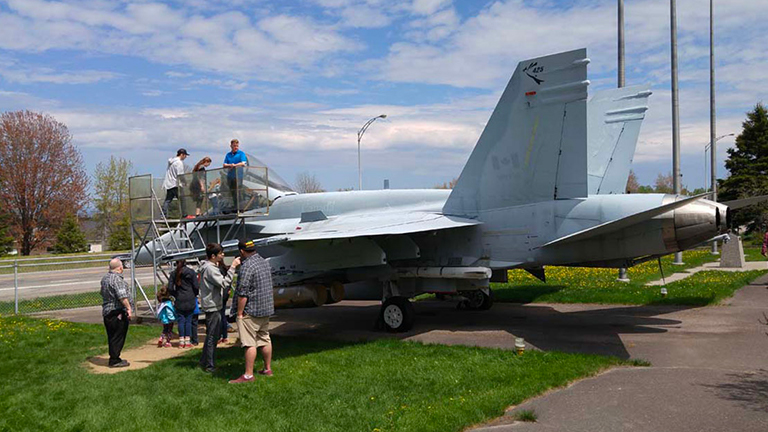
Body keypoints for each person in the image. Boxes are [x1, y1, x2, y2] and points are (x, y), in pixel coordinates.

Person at [229, 240, 275, 384]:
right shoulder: (264, 262)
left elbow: (243, 293)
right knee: (264, 339)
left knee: (250, 343)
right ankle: (267, 369)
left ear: (242, 251)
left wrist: (239, 313)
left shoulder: (246, 266)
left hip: (252, 310)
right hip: (266, 308)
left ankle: (248, 375)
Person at [198, 243, 240, 372]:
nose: (223, 255)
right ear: (213, 256)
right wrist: (233, 267)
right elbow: (224, 283)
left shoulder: (208, 266)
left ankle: (204, 361)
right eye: (221, 253)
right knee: (212, 336)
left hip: (212, 304)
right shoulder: (211, 269)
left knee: (212, 335)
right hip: (213, 306)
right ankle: (209, 366)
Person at [100, 258, 133, 368]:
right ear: (120, 268)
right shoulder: (117, 279)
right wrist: (128, 308)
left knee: (112, 335)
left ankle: (114, 357)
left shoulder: (105, 278)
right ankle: (114, 360)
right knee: (118, 335)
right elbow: (122, 296)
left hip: (107, 311)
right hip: (116, 311)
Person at [168, 259, 199, 348]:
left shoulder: (174, 273)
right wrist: (194, 294)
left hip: (179, 298)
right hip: (190, 297)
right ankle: (188, 341)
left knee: (181, 320)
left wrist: (175, 294)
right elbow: (196, 286)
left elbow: (170, 288)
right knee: (189, 320)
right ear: (185, 262)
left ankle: (181, 341)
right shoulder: (191, 272)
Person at [162, 148, 189, 217]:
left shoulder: (172, 162)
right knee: (182, 199)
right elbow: (180, 175)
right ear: (182, 154)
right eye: (185, 155)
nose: (185, 157)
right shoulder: (179, 163)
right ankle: (185, 214)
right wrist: (185, 182)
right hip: (176, 184)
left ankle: (163, 214)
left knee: (168, 200)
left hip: (169, 183)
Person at [222, 139, 247, 212]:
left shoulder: (241, 153)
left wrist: (235, 165)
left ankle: (240, 207)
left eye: (237, 146)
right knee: (232, 192)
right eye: (234, 146)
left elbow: (243, 163)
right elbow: (224, 164)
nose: (236, 147)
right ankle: (235, 206)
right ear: (231, 146)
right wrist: (230, 165)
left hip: (238, 176)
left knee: (238, 192)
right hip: (230, 176)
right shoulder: (228, 155)